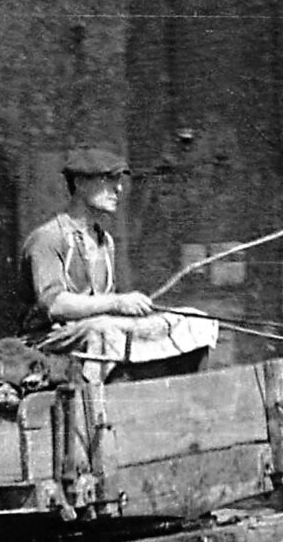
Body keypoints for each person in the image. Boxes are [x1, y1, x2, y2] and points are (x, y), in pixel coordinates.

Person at [22, 147, 216, 379]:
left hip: (94, 335)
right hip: (50, 342)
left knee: (191, 319)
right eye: (109, 179)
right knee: (106, 331)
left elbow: (108, 307)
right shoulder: (49, 238)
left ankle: (188, 393)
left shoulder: (105, 242)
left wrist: (131, 307)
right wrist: (118, 302)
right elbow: (54, 306)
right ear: (80, 183)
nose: (119, 188)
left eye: (119, 180)